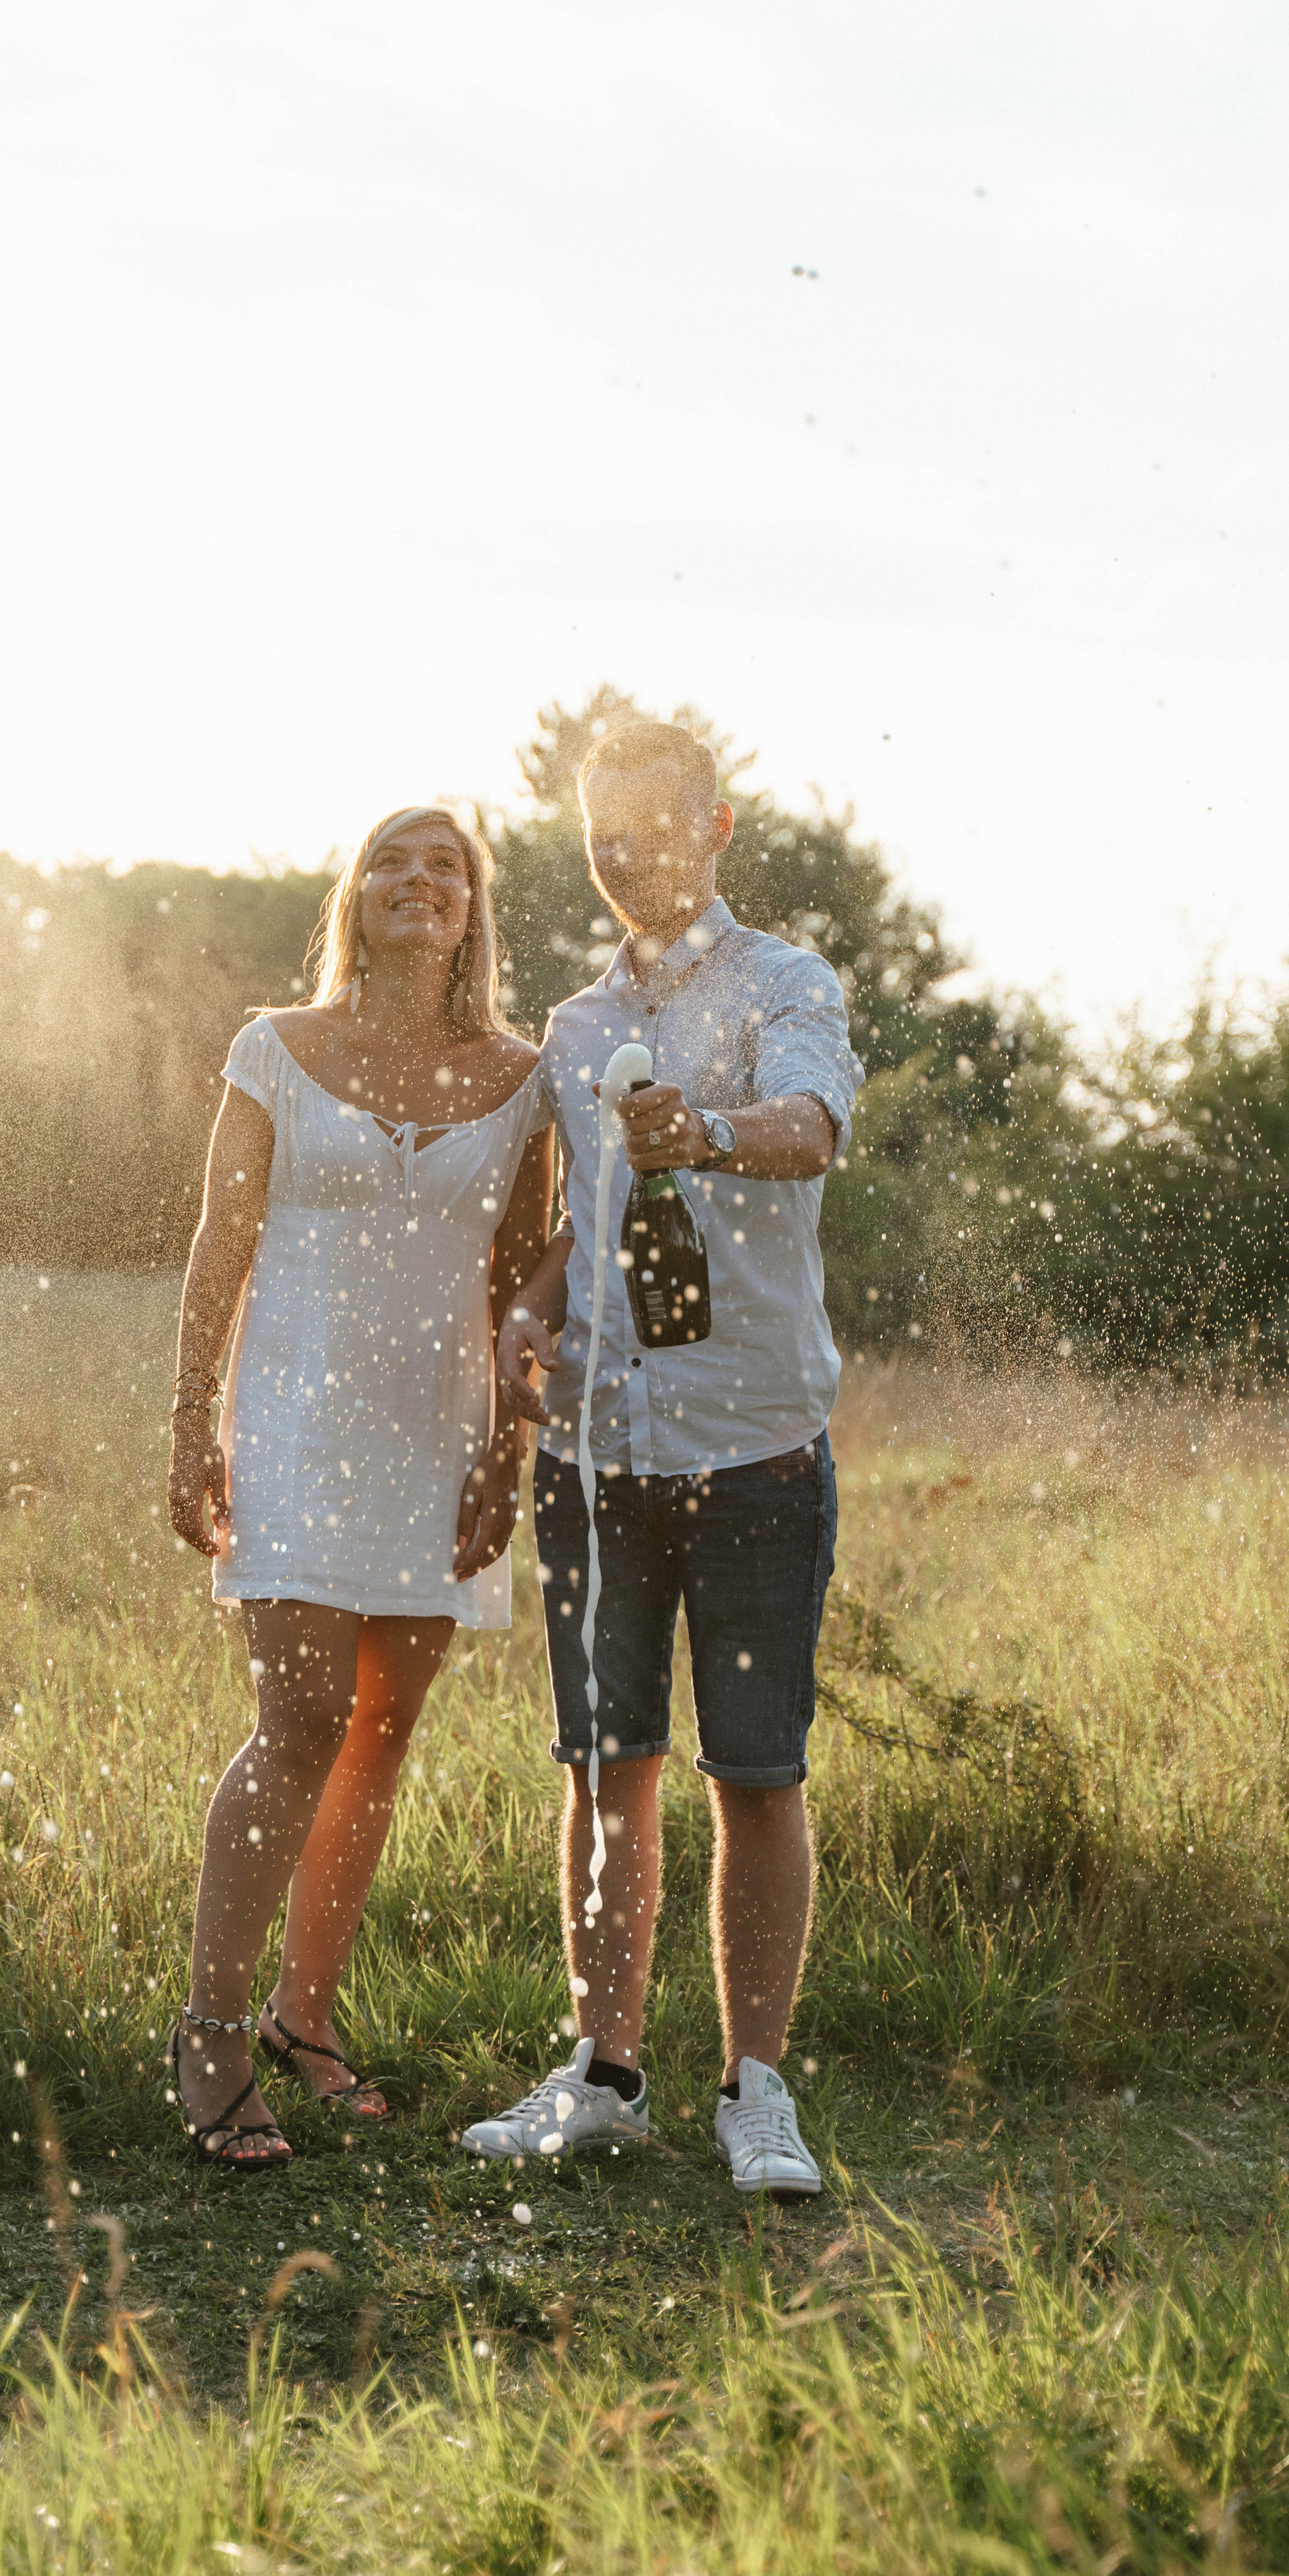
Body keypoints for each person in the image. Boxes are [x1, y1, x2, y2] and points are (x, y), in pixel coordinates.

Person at [463, 720, 863, 2199]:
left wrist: (701, 1128)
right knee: (600, 1767)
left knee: (751, 1773)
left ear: (716, 826)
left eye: (650, 822)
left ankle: (755, 2090)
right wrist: (532, 1299)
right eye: (598, 829)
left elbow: (808, 1131)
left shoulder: (786, 984)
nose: (622, 850)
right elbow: (587, 1220)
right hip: (595, 1454)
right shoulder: (571, 1027)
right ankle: (603, 2073)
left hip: (753, 1445)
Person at [166, 805, 551, 2170]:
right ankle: (209, 2037)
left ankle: (304, 2020)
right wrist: (187, 1423)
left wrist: (503, 1460)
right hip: (289, 1420)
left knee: (382, 1729)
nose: (420, 880)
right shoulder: (277, 1049)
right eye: (394, 859)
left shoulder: (525, 1078)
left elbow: (520, 1287)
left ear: (473, 912)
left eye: (447, 866)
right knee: (302, 1715)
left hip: (436, 1435)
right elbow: (220, 1241)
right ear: (356, 894)